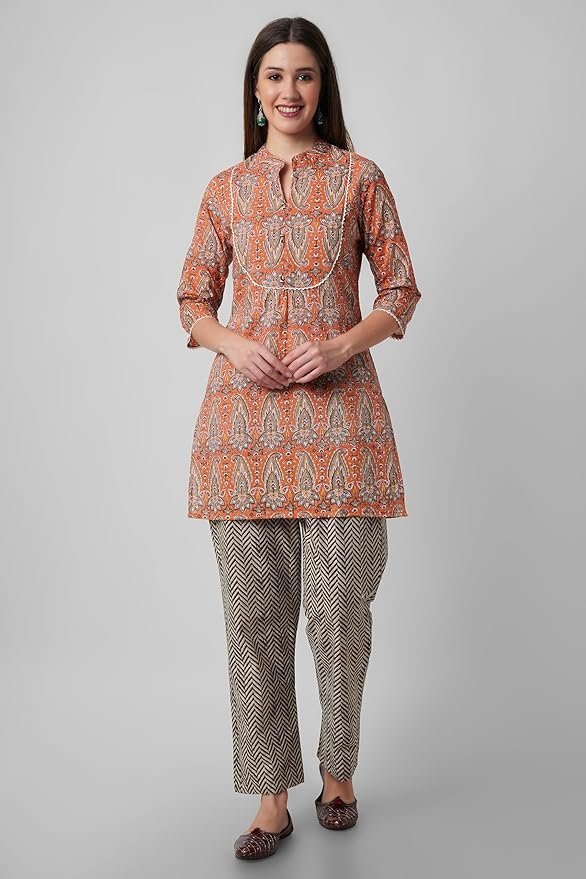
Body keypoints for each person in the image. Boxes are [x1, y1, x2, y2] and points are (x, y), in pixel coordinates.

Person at [176, 16, 422, 860]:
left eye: (305, 75)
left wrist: (344, 344)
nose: (290, 90)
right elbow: (191, 298)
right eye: (276, 75)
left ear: (323, 88)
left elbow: (400, 288)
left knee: (340, 611)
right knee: (253, 620)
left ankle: (339, 771)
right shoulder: (225, 189)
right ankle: (271, 798)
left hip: (342, 427)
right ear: (255, 89)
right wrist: (232, 342)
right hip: (241, 437)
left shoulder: (359, 177)